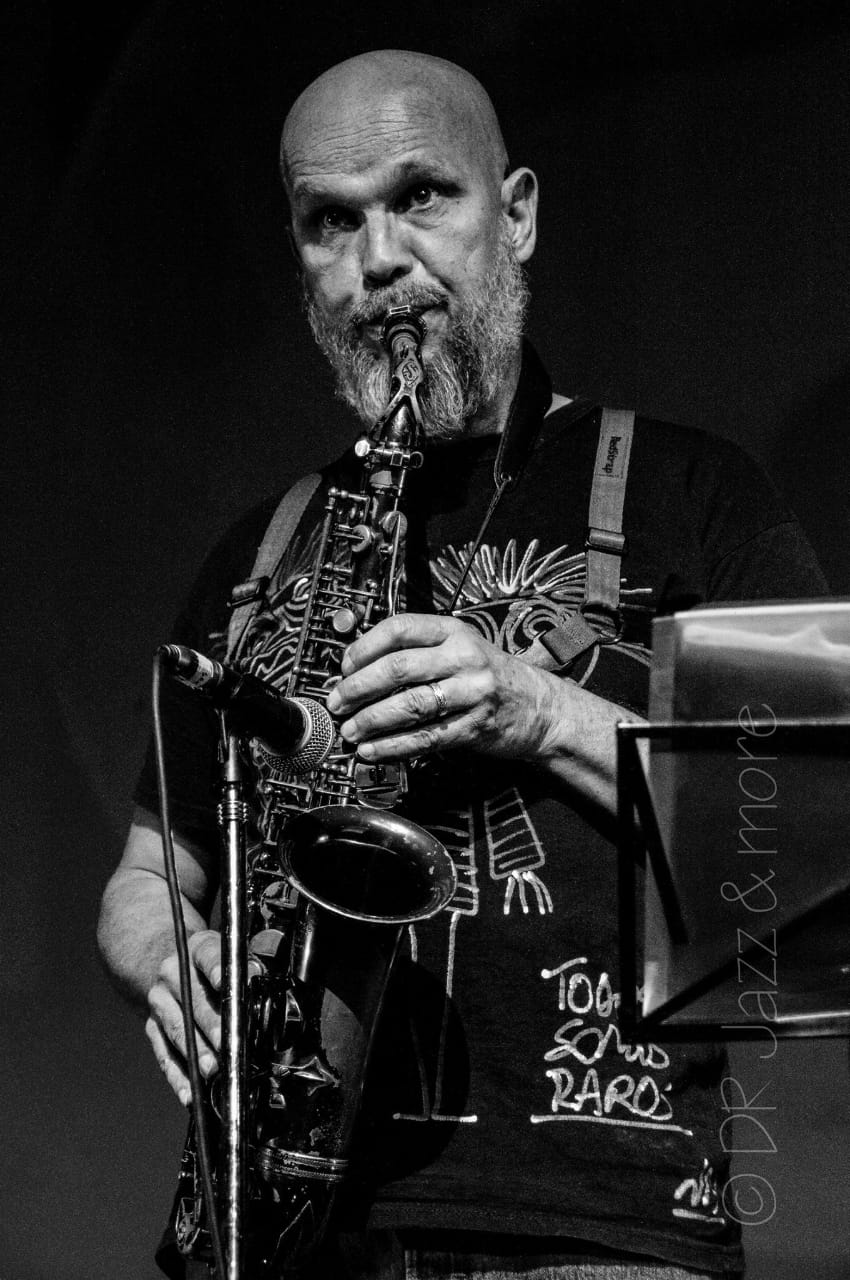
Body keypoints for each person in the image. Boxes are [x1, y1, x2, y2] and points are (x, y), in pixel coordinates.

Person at [98, 49, 827, 1280]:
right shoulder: (259, 548)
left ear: (518, 213)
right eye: (331, 221)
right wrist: (169, 957)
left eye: (420, 196)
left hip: (596, 1231)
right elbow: (144, 875)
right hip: (280, 1224)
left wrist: (538, 710)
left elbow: (817, 849)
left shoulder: (698, 491)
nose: (379, 259)